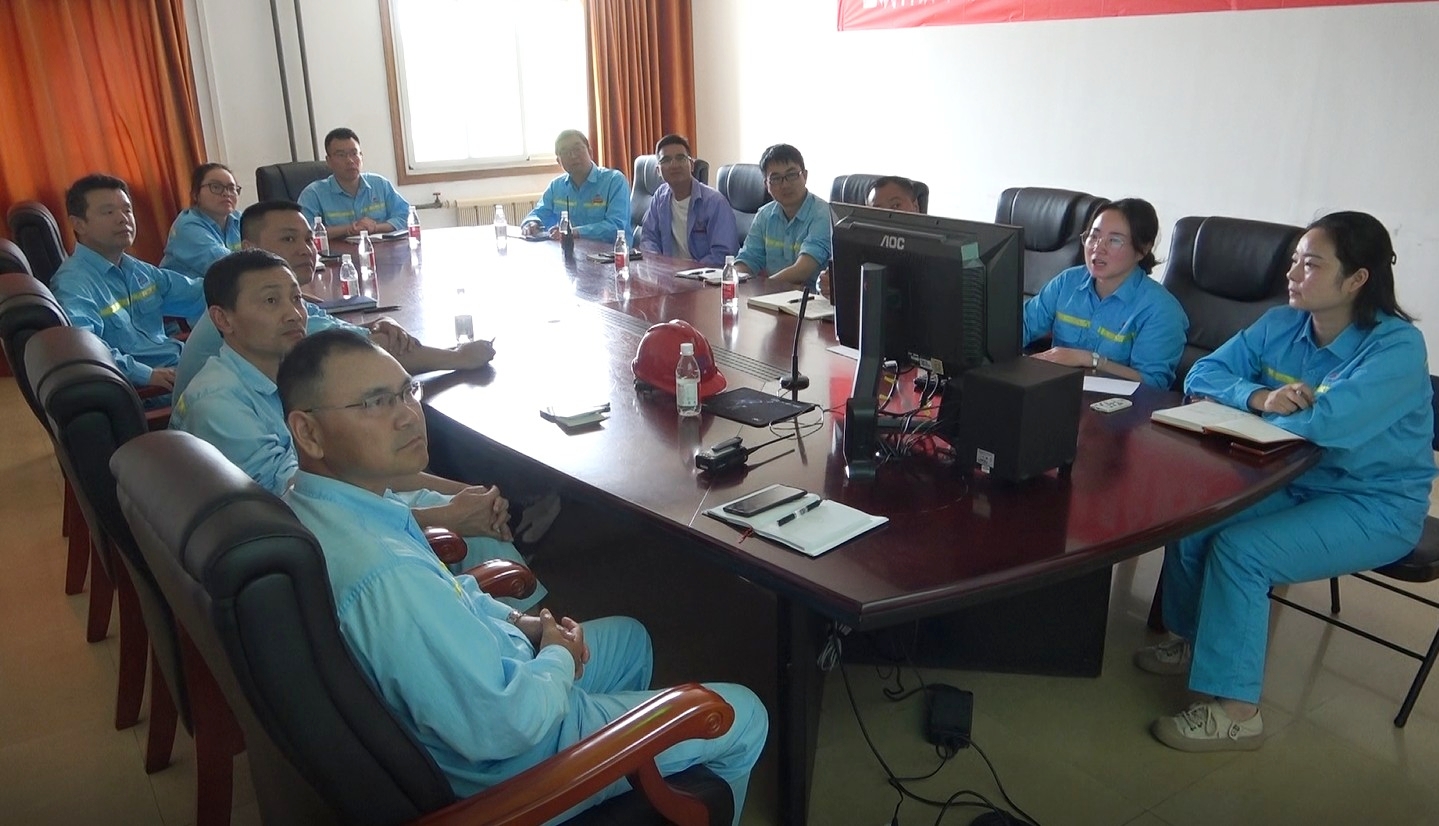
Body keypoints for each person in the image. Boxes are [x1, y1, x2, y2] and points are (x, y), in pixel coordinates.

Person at [277, 329, 767, 821]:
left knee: (630, 640)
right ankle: (611, 760)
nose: (407, 415)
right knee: (740, 714)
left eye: (407, 391)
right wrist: (556, 656)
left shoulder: (329, 506)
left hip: (502, 683)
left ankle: (630, 779)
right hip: (515, 767)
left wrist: (523, 624)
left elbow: (454, 594)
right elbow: (505, 722)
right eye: (375, 403)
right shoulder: (387, 575)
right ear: (309, 432)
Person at [1136, 211, 1434, 751]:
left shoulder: (1396, 348)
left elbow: (1330, 425)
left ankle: (1237, 713)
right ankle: (1199, 642)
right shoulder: (1281, 323)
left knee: (1242, 551)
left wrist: (1251, 410)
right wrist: (1258, 397)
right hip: (1290, 480)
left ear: (1357, 279)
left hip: (1372, 503)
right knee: (1193, 520)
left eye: (1311, 264)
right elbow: (1202, 373)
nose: (1293, 274)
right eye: (1295, 260)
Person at [170, 251, 543, 605]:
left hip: (349, 507)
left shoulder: (285, 373)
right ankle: (531, 635)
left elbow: (356, 465)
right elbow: (301, 519)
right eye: (271, 301)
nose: (293, 313)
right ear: (223, 319)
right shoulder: (219, 404)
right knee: (476, 535)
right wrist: (446, 517)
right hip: (308, 555)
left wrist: (469, 493)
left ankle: (526, 628)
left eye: (296, 298)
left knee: (470, 512)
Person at [173, 200, 494, 398]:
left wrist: (375, 322)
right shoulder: (267, 314)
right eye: (288, 239)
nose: (305, 249)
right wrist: (459, 357)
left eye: (308, 239)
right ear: (249, 248)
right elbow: (368, 351)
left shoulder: (276, 302)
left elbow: (347, 333)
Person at [51, 173, 206, 393]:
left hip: (183, 365)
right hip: (158, 389)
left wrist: (241, 283)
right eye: (108, 212)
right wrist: (145, 375)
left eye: (127, 210)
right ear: (78, 224)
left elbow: (198, 294)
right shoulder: (73, 284)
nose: (123, 219)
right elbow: (85, 349)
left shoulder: (136, 269)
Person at [1021, 198, 1188, 389]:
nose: (1098, 248)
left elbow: (1153, 385)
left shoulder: (1161, 310)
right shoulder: (1068, 282)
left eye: (1114, 240)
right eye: (1093, 236)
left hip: (1119, 404)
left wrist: (1091, 360)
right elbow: (1022, 325)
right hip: (1056, 391)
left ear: (1142, 249)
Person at [733, 144, 832, 288]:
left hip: (810, 298)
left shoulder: (822, 214)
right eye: (776, 178)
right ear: (766, 185)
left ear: (805, 176)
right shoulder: (764, 215)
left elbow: (802, 270)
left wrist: (765, 288)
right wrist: (734, 279)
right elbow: (748, 259)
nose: (785, 185)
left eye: (791, 175)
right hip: (772, 296)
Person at [637, 134, 738, 266]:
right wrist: (659, 265)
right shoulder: (660, 197)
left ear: (691, 165)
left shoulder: (715, 203)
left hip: (703, 276)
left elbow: (723, 254)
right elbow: (648, 239)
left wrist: (687, 270)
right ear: (658, 171)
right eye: (666, 160)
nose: (674, 165)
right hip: (667, 274)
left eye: (680, 158)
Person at [298, 127, 411, 240]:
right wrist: (349, 229)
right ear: (329, 161)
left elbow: (406, 217)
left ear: (361, 156)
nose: (350, 160)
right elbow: (304, 232)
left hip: (382, 249)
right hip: (336, 251)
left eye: (354, 153)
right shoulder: (313, 194)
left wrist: (374, 228)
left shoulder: (380, 185)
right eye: (341, 155)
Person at [520, 129, 630, 242]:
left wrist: (574, 232)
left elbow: (617, 226)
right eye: (565, 152)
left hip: (611, 251)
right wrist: (531, 223)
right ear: (559, 161)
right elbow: (538, 214)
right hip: (569, 250)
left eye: (577, 149)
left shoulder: (614, 181)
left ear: (590, 152)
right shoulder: (556, 187)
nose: (572, 156)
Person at [160, 163, 243, 279]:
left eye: (231, 188)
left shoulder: (239, 218)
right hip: (189, 290)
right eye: (216, 187)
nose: (226, 193)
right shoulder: (187, 227)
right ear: (195, 194)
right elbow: (228, 267)